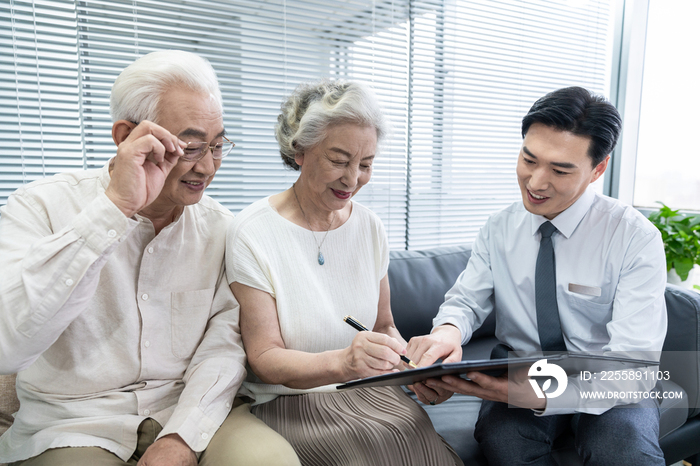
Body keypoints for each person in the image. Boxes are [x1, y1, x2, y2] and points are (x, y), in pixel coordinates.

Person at [0, 50, 299, 466]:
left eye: (217, 145)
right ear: (126, 136)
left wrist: (181, 436)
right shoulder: (40, 207)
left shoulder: (221, 227)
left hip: (191, 409)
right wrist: (115, 208)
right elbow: (8, 346)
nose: (209, 167)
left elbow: (224, 346)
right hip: (73, 422)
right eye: (192, 147)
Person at [407, 86, 667, 465]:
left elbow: (632, 366)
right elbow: (465, 301)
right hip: (521, 368)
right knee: (506, 444)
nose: (536, 182)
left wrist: (542, 397)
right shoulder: (500, 227)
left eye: (560, 170)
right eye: (529, 159)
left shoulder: (634, 238)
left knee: (624, 447)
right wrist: (445, 334)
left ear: (598, 169)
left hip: (606, 377)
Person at [226, 79, 463, 466]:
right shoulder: (252, 232)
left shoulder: (369, 226)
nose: (353, 179)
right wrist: (343, 363)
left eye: (365, 164)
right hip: (292, 404)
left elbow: (384, 326)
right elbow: (264, 358)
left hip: (373, 394)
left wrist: (413, 369)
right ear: (299, 150)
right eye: (339, 160)